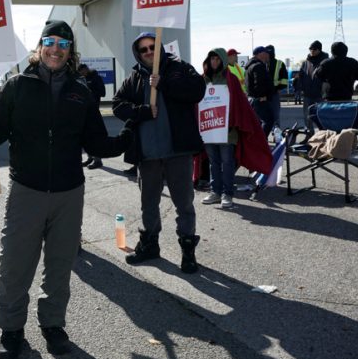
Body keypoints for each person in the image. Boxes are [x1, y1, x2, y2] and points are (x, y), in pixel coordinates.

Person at [0, 19, 135, 359]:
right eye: (50, 42)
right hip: (27, 190)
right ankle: (12, 329)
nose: (56, 49)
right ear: (40, 46)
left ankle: (53, 324)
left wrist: (126, 140)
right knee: (16, 264)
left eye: (63, 44)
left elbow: (94, 142)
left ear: (70, 52)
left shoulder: (81, 91)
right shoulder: (17, 85)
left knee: (60, 264)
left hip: (69, 191)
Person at [112, 32, 205, 274]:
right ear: (138, 53)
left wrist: (163, 83)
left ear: (160, 46)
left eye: (152, 46)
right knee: (149, 204)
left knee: (184, 204)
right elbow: (118, 105)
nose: (149, 52)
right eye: (143, 49)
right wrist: (142, 111)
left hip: (177, 152)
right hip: (148, 154)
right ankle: (150, 245)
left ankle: (188, 251)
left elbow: (197, 91)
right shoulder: (134, 77)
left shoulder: (179, 68)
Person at [199, 48, 273, 209]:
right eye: (212, 59)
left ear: (223, 61)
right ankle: (215, 192)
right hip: (209, 129)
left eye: (218, 59)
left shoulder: (230, 79)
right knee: (213, 162)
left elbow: (239, 104)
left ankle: (227, 194)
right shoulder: (203, 79)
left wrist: (231, 123)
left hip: (227, 129)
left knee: (227, 162)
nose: (214, 62)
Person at [78, 63, 106, 169]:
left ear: (86, 69)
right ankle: (90, 158)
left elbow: (102, 92)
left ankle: (98, 160)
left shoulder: (96, 78)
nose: (82, 74)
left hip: (94, 111)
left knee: (94, 136)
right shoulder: (81, 79)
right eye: (80, 73)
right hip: (83, 111)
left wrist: (90, 93)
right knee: (85, 136)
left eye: (83, 71)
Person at [298, 40, 329, 134]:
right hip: (308, 94)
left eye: (314, 49)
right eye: (310, 49)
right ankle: (309, 135)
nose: (312, 51)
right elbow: (301, 75)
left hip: (320, 94)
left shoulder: (325, 62)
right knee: (307, 116)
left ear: (319, 50)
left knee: (322, 116)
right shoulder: (306, 62)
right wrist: (301, 88)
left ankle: (323, 136)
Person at [245, 46, 275, 136]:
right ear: (260, 54)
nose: (268, 55)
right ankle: (261, 142)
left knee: (258, 123)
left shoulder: (252, 66)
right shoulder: (258, 66)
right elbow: (258, 83)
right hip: (260, 100)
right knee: (269, 121)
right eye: (266, 53)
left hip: (254, 99)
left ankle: (259, 143)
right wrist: (262, 96)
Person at [266, 45, 289, 130]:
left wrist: (277, 89)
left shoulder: (279, 63)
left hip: (273, 94)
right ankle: (274, 135)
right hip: (267, 94)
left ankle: (276, 135)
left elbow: (284, 80)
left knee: (273, 116)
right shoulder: (262, 63)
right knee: (271, 116)